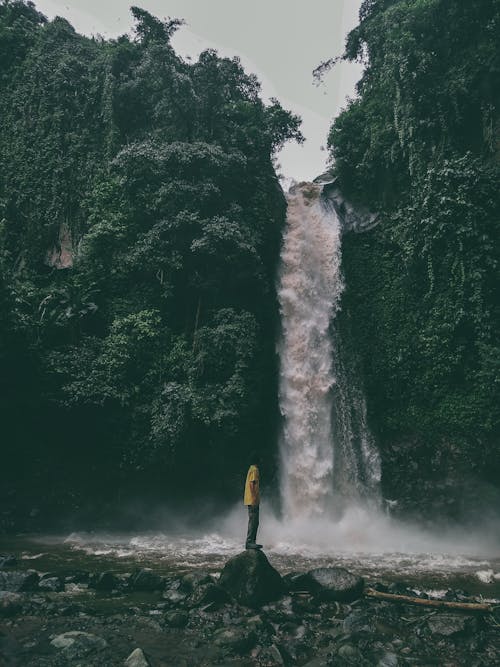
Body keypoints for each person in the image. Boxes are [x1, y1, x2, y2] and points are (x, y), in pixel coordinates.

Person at [244, 452, 262, 550]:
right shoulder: (255, 470)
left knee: (254, 521)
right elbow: (252, 484)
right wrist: (255, 499)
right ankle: (250, 542)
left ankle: (252, 542)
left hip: (250, 500)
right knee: (254, 521)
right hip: (253, 500)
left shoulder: (251, 469)